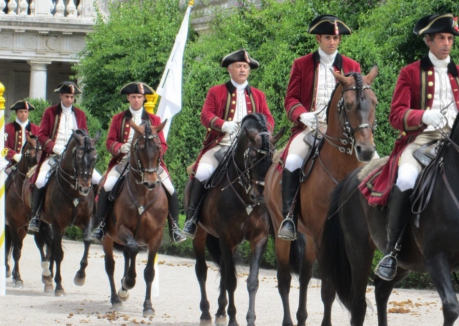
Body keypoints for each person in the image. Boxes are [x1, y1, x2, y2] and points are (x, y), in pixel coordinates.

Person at [374, 14, 459, 281]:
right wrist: (422, 116)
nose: (446, 43)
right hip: (422, 140)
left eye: (450, 38)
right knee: (406, 178)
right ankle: (392, 250)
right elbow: (396, 115)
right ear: (428, 40)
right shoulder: (409, 72)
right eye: (441, 38)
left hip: (456, 144)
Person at [277, 15, 361, 241]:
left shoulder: (352, 67)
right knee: (293, 160)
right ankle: (289, 217)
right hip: (310, 128)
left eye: (335, 38)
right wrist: (301, 115)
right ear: (318, 38)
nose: (332, 42)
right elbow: (291, 99)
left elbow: (360, 102)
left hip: (343, 132)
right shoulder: (301, 64)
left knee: (372, 163)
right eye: (328, 38)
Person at [182, 49, 275, 238]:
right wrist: (223, 124)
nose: (242, 70)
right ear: (229, 70)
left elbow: (268, 118)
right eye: (238, 66)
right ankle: (192, 218)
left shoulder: (258, 95)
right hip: (221, 144)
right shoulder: (216, 92)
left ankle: (274, 220)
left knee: (270, 172)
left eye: (245, 67)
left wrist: (264, 134)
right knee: (202, 172)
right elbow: (205, 115)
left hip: (251, 148)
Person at [87, 82, 186, 243]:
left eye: (140, 97)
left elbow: (163, 145)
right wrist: (120, 147)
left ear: (144, 98)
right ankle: (101, 225)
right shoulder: (118, 118)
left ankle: (174, 227)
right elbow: (109, 142)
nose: (137, 100)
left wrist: (154, 153)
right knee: (107, 186)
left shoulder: (154, 119)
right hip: (124, 161)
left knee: (171, 189)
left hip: (150, 164)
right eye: (133, 97)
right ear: (128, 98)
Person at [28, 81, 103, 233]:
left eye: (72, 97)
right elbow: (41, 135)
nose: (70, 99)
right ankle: (35, 216)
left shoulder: (80, 114)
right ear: (61, 96)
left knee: (98, 180)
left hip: (77, 157)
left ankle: (97, 216)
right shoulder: (50, 112)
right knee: (40, 180)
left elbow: (85, 135)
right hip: (54, 155)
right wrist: (53, 147)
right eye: (67, 96)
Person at [4, 100, 40, 165]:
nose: (23, 114)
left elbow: (40, 147)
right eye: (21, 112)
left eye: (26, 112)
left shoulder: (36, 129)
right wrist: (14, 155)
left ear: (28, 113)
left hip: (32, 163)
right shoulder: (7, 128)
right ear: (16, 113)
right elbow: (3, 145)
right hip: (11, 163)